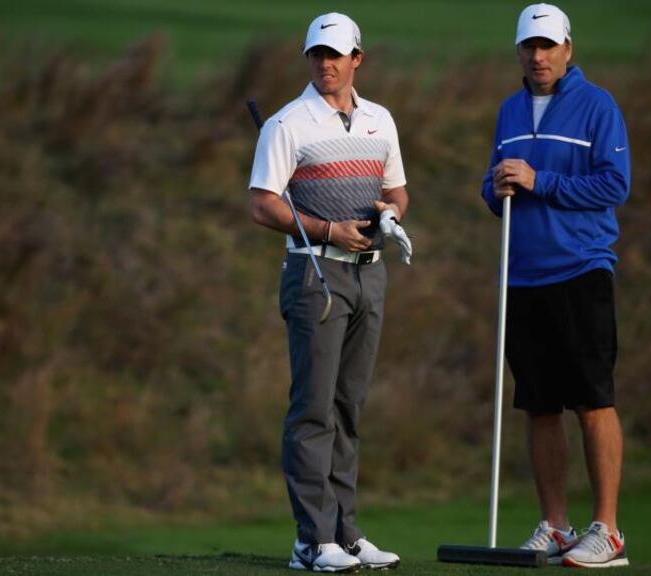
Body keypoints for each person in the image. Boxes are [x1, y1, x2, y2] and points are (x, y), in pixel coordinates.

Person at [248, 12, 411, 573]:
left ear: (356, 59)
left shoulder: (379, 120)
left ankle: (344, 530)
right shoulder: (287, 123)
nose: (326, 63)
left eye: (336, 54)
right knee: (313, 409)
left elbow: (396, 188)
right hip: (315, 273)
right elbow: (264, 203)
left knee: (348, 407)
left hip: (370, 273)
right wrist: (325, 229)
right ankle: (311, 540)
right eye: (317, 54)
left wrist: (390, 214)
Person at [480, 3, 631, 568]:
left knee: (593, 399)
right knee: (539, 405)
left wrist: (539, 180)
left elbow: (615, 184)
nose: (537, 56)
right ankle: (557, 525)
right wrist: (497, 187)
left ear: (568, 48)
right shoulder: (509, 111)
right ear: (519, 52)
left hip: (581, 268)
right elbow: (491, 191)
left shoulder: (598, 106)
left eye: (547, 46)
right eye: (529, 47)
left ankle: (608, 530)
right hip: (522, 273)